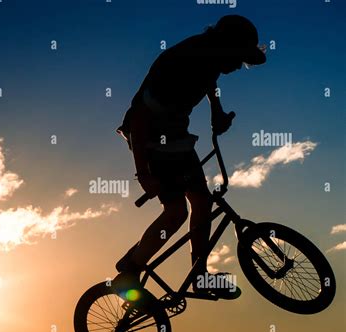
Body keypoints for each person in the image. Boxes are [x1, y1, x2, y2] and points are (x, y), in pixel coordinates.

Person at [113, 15, 266, 297]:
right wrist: (144, 173)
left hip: (177, 140)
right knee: (176, 213)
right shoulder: (183, 61)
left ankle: (199, 275)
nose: (237, 67)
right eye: (238, 58)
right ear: (225, 46)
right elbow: (139, 120)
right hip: (150, 142)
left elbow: (209, 82)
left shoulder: (209, 59)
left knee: (203, 202)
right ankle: (130, 272)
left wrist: (216, 112)